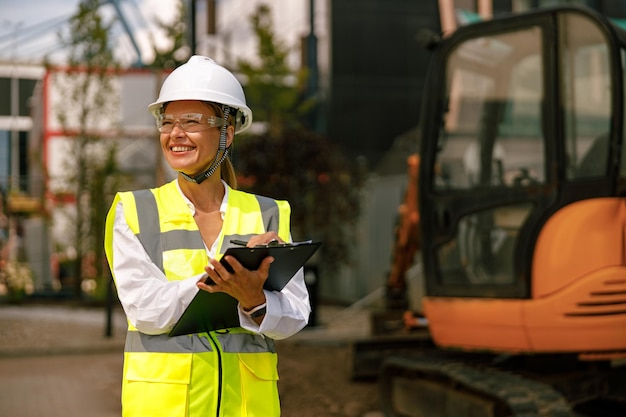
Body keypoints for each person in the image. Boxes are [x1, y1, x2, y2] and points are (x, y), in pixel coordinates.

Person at [104, 55, 311, 417]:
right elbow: (146, 310)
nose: (175, 133)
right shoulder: (133, 211)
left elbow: (295, 315)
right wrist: (227, 281)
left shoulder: (268, 213)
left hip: (247, 408)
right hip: (166, 407)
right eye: (167, 122)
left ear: (226, 133)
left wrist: (256, 303)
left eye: (192, 122)